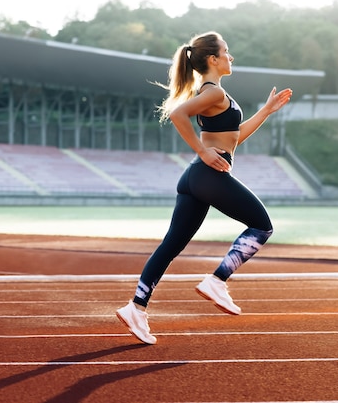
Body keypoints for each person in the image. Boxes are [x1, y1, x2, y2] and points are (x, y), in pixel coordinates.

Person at [116, 31, 293, 345]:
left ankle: (136, 308)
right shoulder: (212, 93)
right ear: (213, 59)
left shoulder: (215, 93)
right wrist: (201, 150)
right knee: (262, 227)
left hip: (196, 179)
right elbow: (177, 113)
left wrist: (266, 111)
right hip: (206, 175)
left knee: (171, 246)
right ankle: (217, 281)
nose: (231, 56)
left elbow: (235, 136)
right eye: (226, 51)